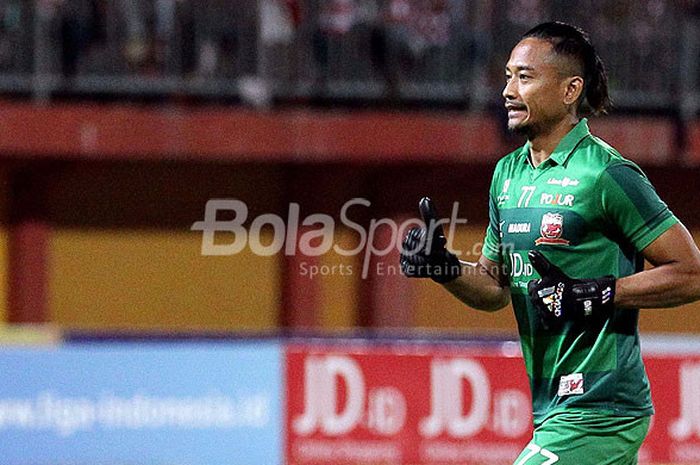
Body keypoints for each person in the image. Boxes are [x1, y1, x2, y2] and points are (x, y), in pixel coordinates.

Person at [400, 21, 700, 465]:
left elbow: (692, 273)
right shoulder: (507, 174)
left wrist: (600, 292)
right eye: (507, 76)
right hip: (552, 408)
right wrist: (445, 269)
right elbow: (494, 288)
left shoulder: (606, 174)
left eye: (524, 77)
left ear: (569, 90)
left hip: (601, 406)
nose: (508, 90)